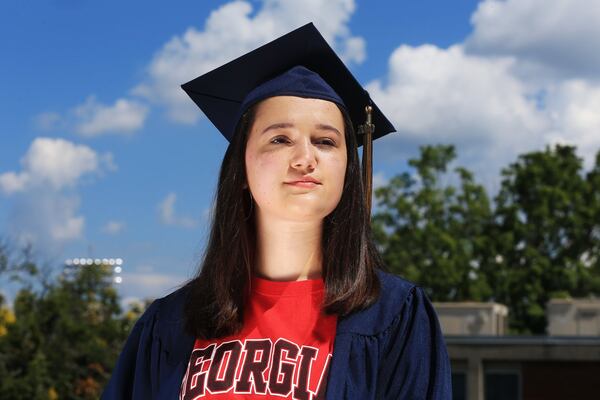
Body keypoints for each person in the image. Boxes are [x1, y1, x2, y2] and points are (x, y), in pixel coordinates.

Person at [102, 23, 452, 400]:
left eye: (325, 141)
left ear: (348, 171)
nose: (305, 158)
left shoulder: (394, 318)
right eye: (280, 139)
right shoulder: (170, 323)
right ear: (241, 169)